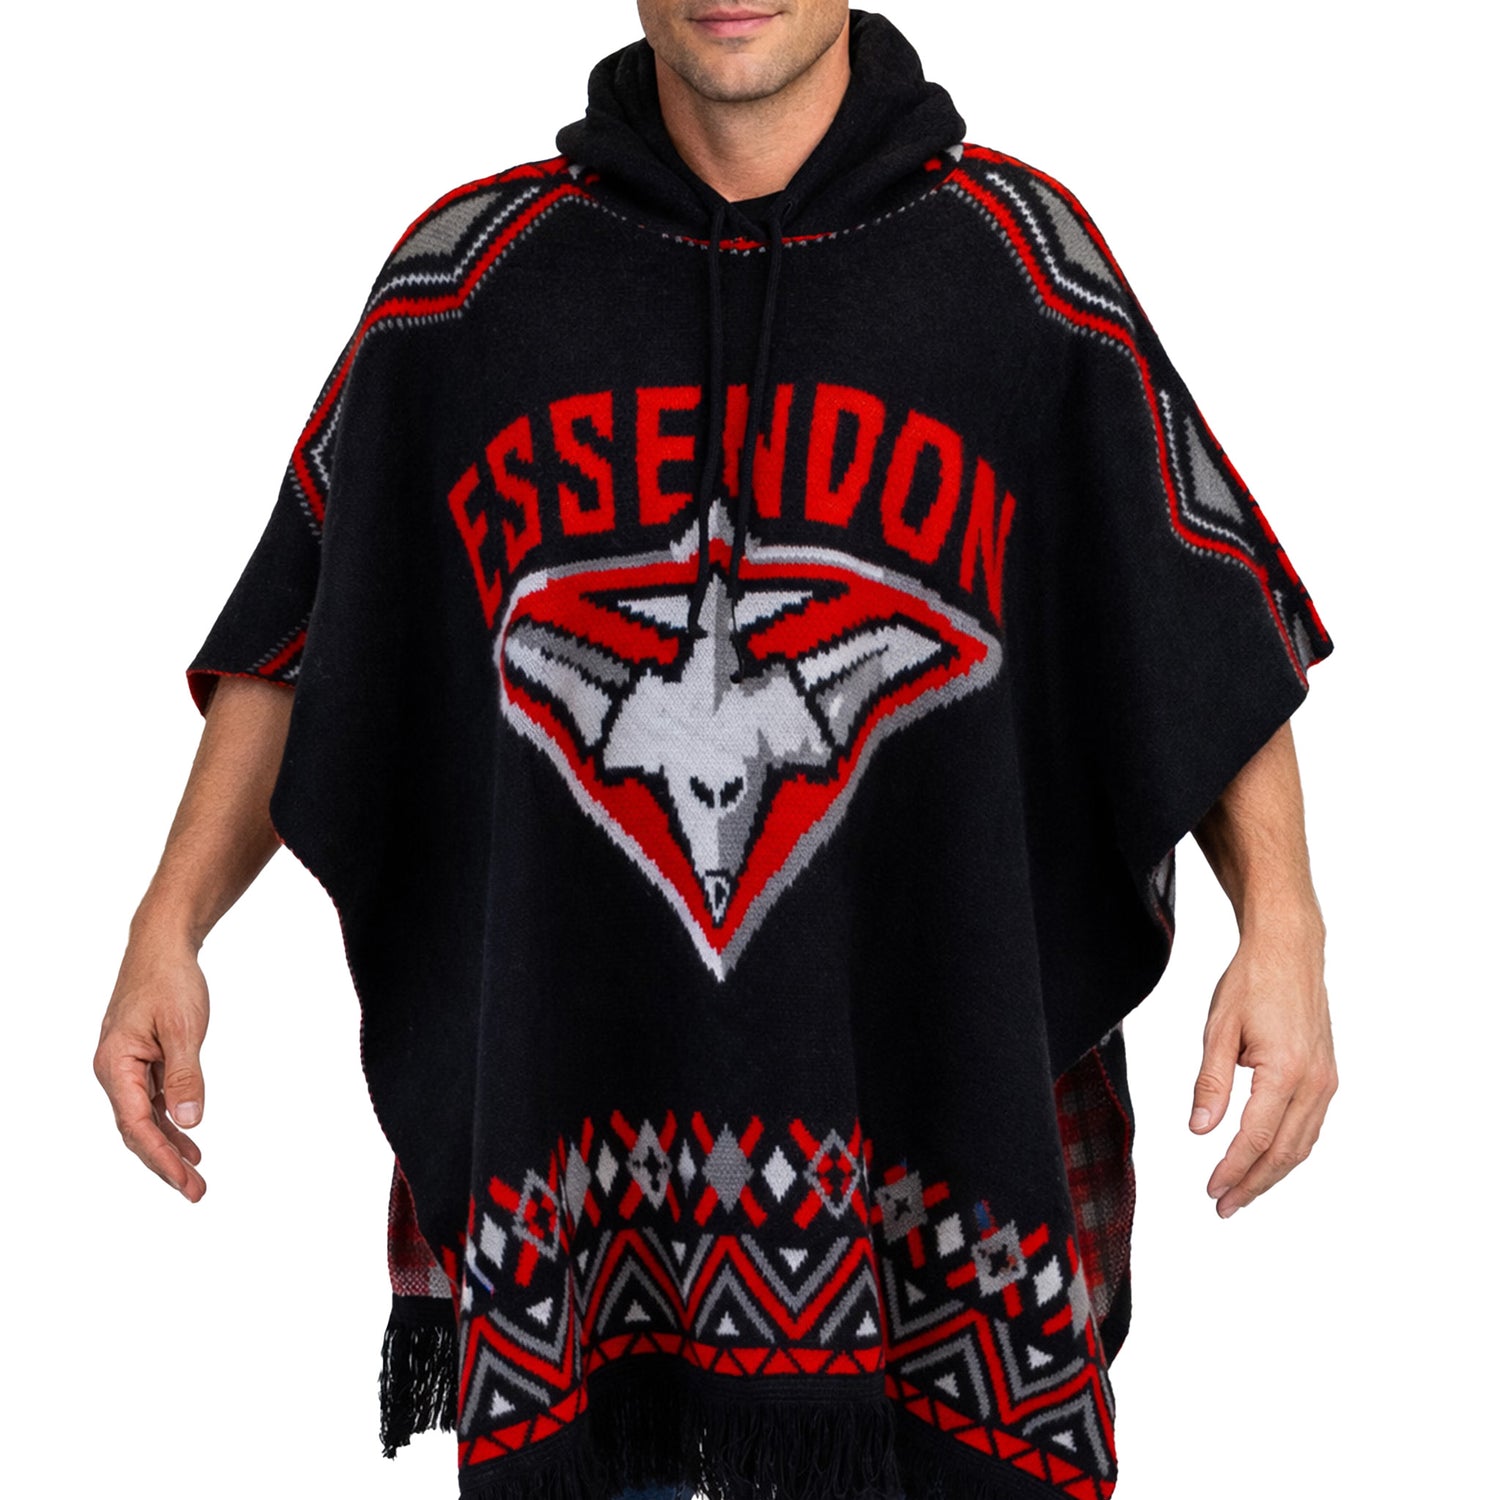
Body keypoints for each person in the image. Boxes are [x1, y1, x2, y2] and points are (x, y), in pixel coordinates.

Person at [94, 5, 1336, 1498]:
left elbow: (1198, 614)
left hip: (932, 1192)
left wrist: (1285, 927)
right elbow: (306, 635)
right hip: (576, 1208)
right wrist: (171, 921)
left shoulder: (1020, 271)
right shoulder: (467, 290)